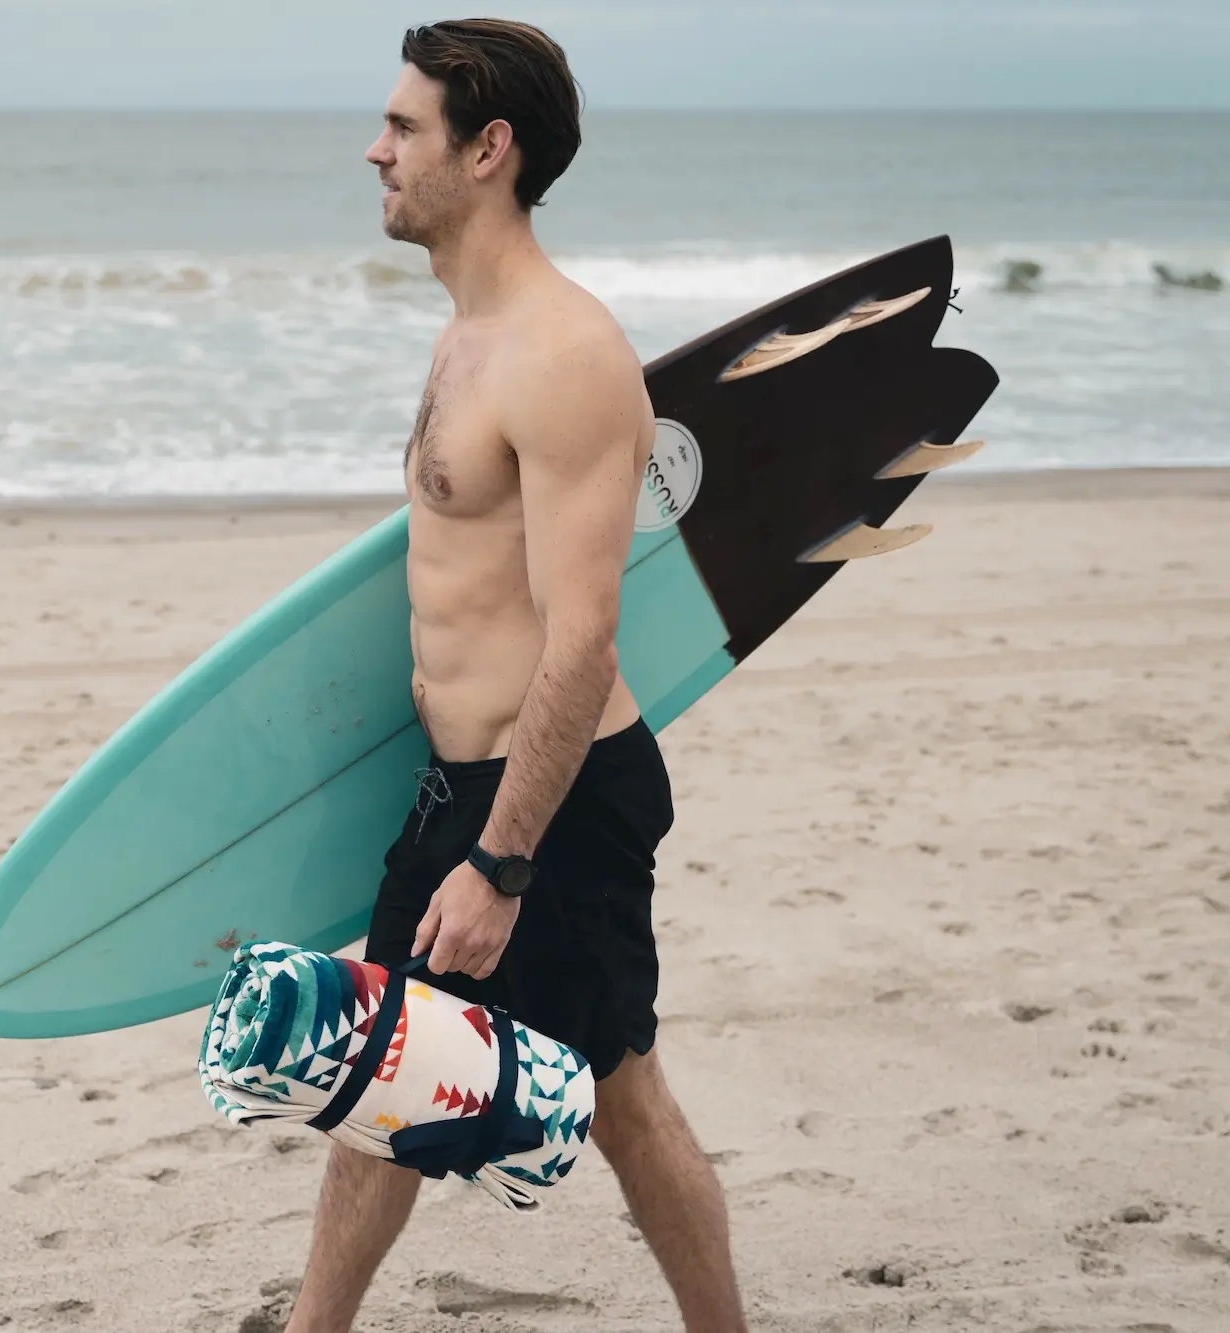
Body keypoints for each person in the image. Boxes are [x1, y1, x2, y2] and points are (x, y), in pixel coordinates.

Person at [279, 20, 748, 1333]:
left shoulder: (563, 352)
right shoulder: (466, 333)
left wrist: (500, 865)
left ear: (489, 151)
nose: (375, 149)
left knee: (624, 1104)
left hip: (553, 803)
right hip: (464, 785)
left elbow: (579, 639)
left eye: (406, 128)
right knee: (383, 1077)